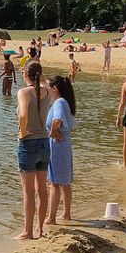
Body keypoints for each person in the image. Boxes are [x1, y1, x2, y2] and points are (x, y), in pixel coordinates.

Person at [15, 61, 53, 239]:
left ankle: (28, 232)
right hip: (45, 142)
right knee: (42, 190)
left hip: (29, 143)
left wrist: (22, 132)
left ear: (25, 75)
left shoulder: (24, 92)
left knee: (28, 192)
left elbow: (23, 114)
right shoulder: (47, 91)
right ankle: (40, 229)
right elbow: (43, 81)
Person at [44, 75, 76, 223]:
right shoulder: (65, 102)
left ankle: (51, 217)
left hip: (58, 145)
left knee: (55, 183)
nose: (47, 90)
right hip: (64, 144)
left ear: (55, 88)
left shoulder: (59, 102)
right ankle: (66, 214)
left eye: (48, 87)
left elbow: (57, 119)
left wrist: (52, 132)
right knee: (64, 182)